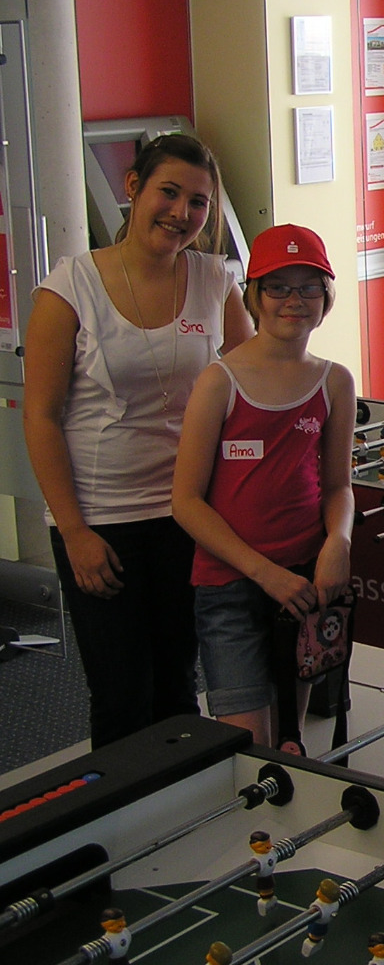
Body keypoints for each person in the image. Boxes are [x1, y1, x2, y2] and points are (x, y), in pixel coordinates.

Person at [22, 133, 251, 748]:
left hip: (186, 513)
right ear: (133, 188)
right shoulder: (70, 287)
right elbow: (40, 417)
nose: (181, 213)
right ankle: (124, 805)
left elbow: (251, 383)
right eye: (168, 193)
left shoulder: (214, 280)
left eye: (198, 202)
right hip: (101, 520)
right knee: (122, 693)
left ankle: (179, 797)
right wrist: (74, 532)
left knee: (177, 682)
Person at [172, 224, 356, 752]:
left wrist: (337, 543)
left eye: (309, 286)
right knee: (247, 748)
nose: (294, 300)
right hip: (230, 586)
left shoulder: (335, 381)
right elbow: (186, 502)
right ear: (253, 295)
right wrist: (264, 573)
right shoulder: (219, 381)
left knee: (290, 743)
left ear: (326, 297)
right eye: (278, 287)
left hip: (303, 581)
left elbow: (338, 485)